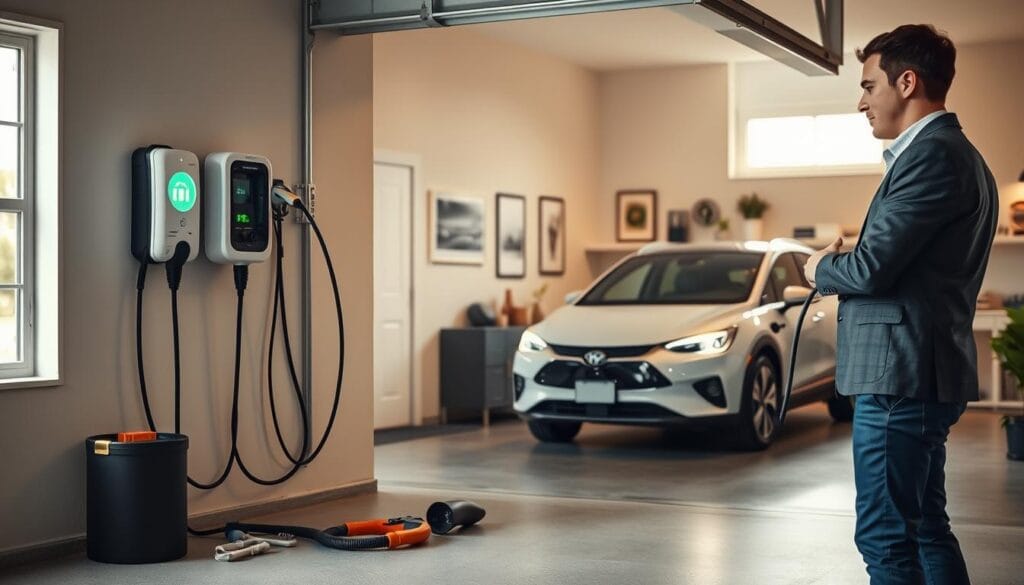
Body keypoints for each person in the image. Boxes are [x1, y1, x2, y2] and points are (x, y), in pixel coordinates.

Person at [803, 24, 998, 585]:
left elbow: (869, 268)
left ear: (907, 82)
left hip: (900, 379)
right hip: (915, 374)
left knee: (886, 537)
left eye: (868, 85)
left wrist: (820, 269)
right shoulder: (952, 156)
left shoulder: (933, 156)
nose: (860, 102)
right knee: (925, 527)